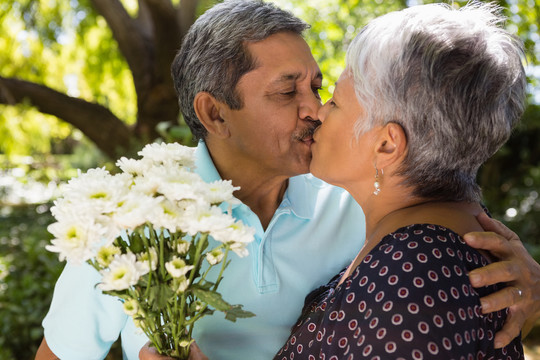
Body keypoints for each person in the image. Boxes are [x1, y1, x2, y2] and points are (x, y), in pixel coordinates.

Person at [35, 1, 540, 360]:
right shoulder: (130, 218)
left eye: (320, 88)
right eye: (286, 92)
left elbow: (442, 223)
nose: (315, 111)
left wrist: (530, 280)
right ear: (214, 113)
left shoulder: (356, 196)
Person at [275, 2, 527, 358]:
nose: (318, 110)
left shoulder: (412, 284)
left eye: (337, 101)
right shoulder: (429, 249)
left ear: (386, 145)